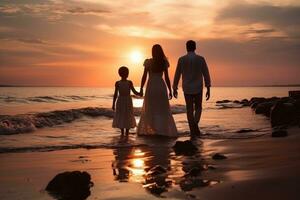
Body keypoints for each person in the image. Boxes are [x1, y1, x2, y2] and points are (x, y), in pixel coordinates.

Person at [137, 44, 177, 137]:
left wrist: (141, 88)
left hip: (151, 86)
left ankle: (154, 130)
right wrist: (170, 90)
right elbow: (166, 77)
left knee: (151, 108)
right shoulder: (164, 62)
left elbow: (144, 76)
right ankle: (161, 130)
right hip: (161, 86)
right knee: (162, 108)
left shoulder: (148, 62)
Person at [173, 40, 211, 137]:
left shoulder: (181, 59)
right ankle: (195, 124)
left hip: (187, 87)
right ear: (195, 47)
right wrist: (208, 87)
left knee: (189, 109)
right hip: (198, 87)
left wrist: (174, 87)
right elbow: (206, 73)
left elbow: (177, 74)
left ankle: (192, 129)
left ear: (186, 47)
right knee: (198, 107)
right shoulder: (201, 59)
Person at [112, 66, 141, 135]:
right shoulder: (118, 83)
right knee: (123, 115)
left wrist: (140, 93)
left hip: (126, 101)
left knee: (127, 115)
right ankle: (123, 132)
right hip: (122, 101)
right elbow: (115, 94)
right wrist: (113, 104)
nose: (127, 74)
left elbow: (134, 92)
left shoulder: (129, 82)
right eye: (126, 72)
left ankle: (126, 132)